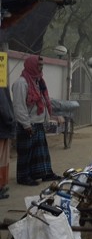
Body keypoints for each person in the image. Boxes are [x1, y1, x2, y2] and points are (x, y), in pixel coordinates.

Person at [12, 55, 61, 186]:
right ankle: (23, 177)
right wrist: (26, 124)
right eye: (39, 65)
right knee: (26, 153)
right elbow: (19, 106)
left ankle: (44, 174)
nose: (41, 67)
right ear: (31, 65)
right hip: (27, 124)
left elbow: (43, 101)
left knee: (41, 153)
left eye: (42, 65)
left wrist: (46, 119)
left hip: (38, 123)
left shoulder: (38, 81)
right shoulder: (21, 83)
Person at [0, 83, 15, 198]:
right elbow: (4, 107)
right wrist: (11, 120)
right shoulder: (1, 85)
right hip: (2, 127)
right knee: (2, 158)